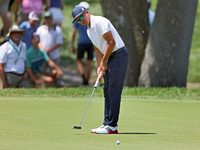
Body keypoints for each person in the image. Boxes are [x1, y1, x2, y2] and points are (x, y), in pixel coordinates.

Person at [72, 6, 129, 134]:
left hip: (119, 55)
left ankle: (112, 126)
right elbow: (97, 49)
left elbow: (111, 42)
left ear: (86, 12)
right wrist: (99, 66)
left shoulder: (99, 22)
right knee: (107, 90)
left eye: (81, 17)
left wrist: (103, 61)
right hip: (108, 57)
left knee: (113, 91)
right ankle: (106, 123)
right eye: (77, 20)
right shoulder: (89, 31)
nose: (80, 20)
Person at [72, 1, 94, 85]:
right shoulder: (90, 18)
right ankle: (87, 81)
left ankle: (83, 77)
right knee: (89, 62)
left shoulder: (78, 19)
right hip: (91, 42)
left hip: (81, 42)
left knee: (78, 60)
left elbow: (74, 33)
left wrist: (72, 45)